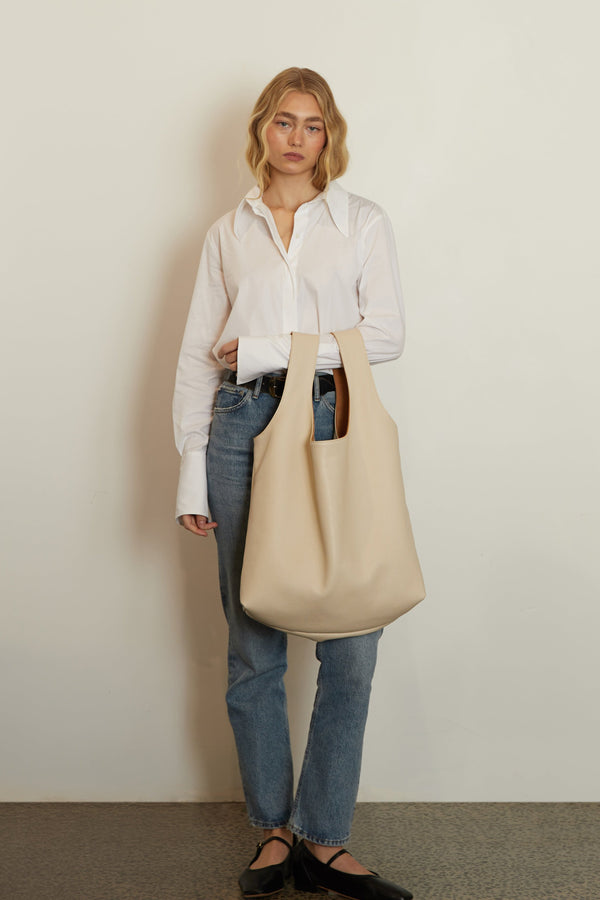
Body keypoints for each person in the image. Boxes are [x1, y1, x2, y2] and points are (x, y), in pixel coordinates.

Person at [173, 67, 414, 900]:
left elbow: (384, 334)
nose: (298, 137)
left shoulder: (360, 221)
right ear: (263, 129)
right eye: (285, 121)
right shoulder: (226, 232)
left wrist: (275, 346)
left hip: (333, 418)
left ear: (329, 135)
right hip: (239, 430)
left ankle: (326, 836)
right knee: (253, 642)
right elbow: (197, 354)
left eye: (313, 124)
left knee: (353, 635)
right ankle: (275, 831)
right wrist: (189, 478)